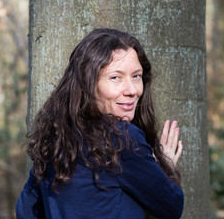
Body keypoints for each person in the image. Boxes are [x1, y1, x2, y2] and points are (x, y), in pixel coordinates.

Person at [15, 28, 184, 219]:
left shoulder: (55, 140)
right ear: (88, 84)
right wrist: (166, 166)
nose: (132, 90)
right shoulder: (122, 139)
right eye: (115, 78)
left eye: (136, 76)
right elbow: (171, 207)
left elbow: (26, 212)